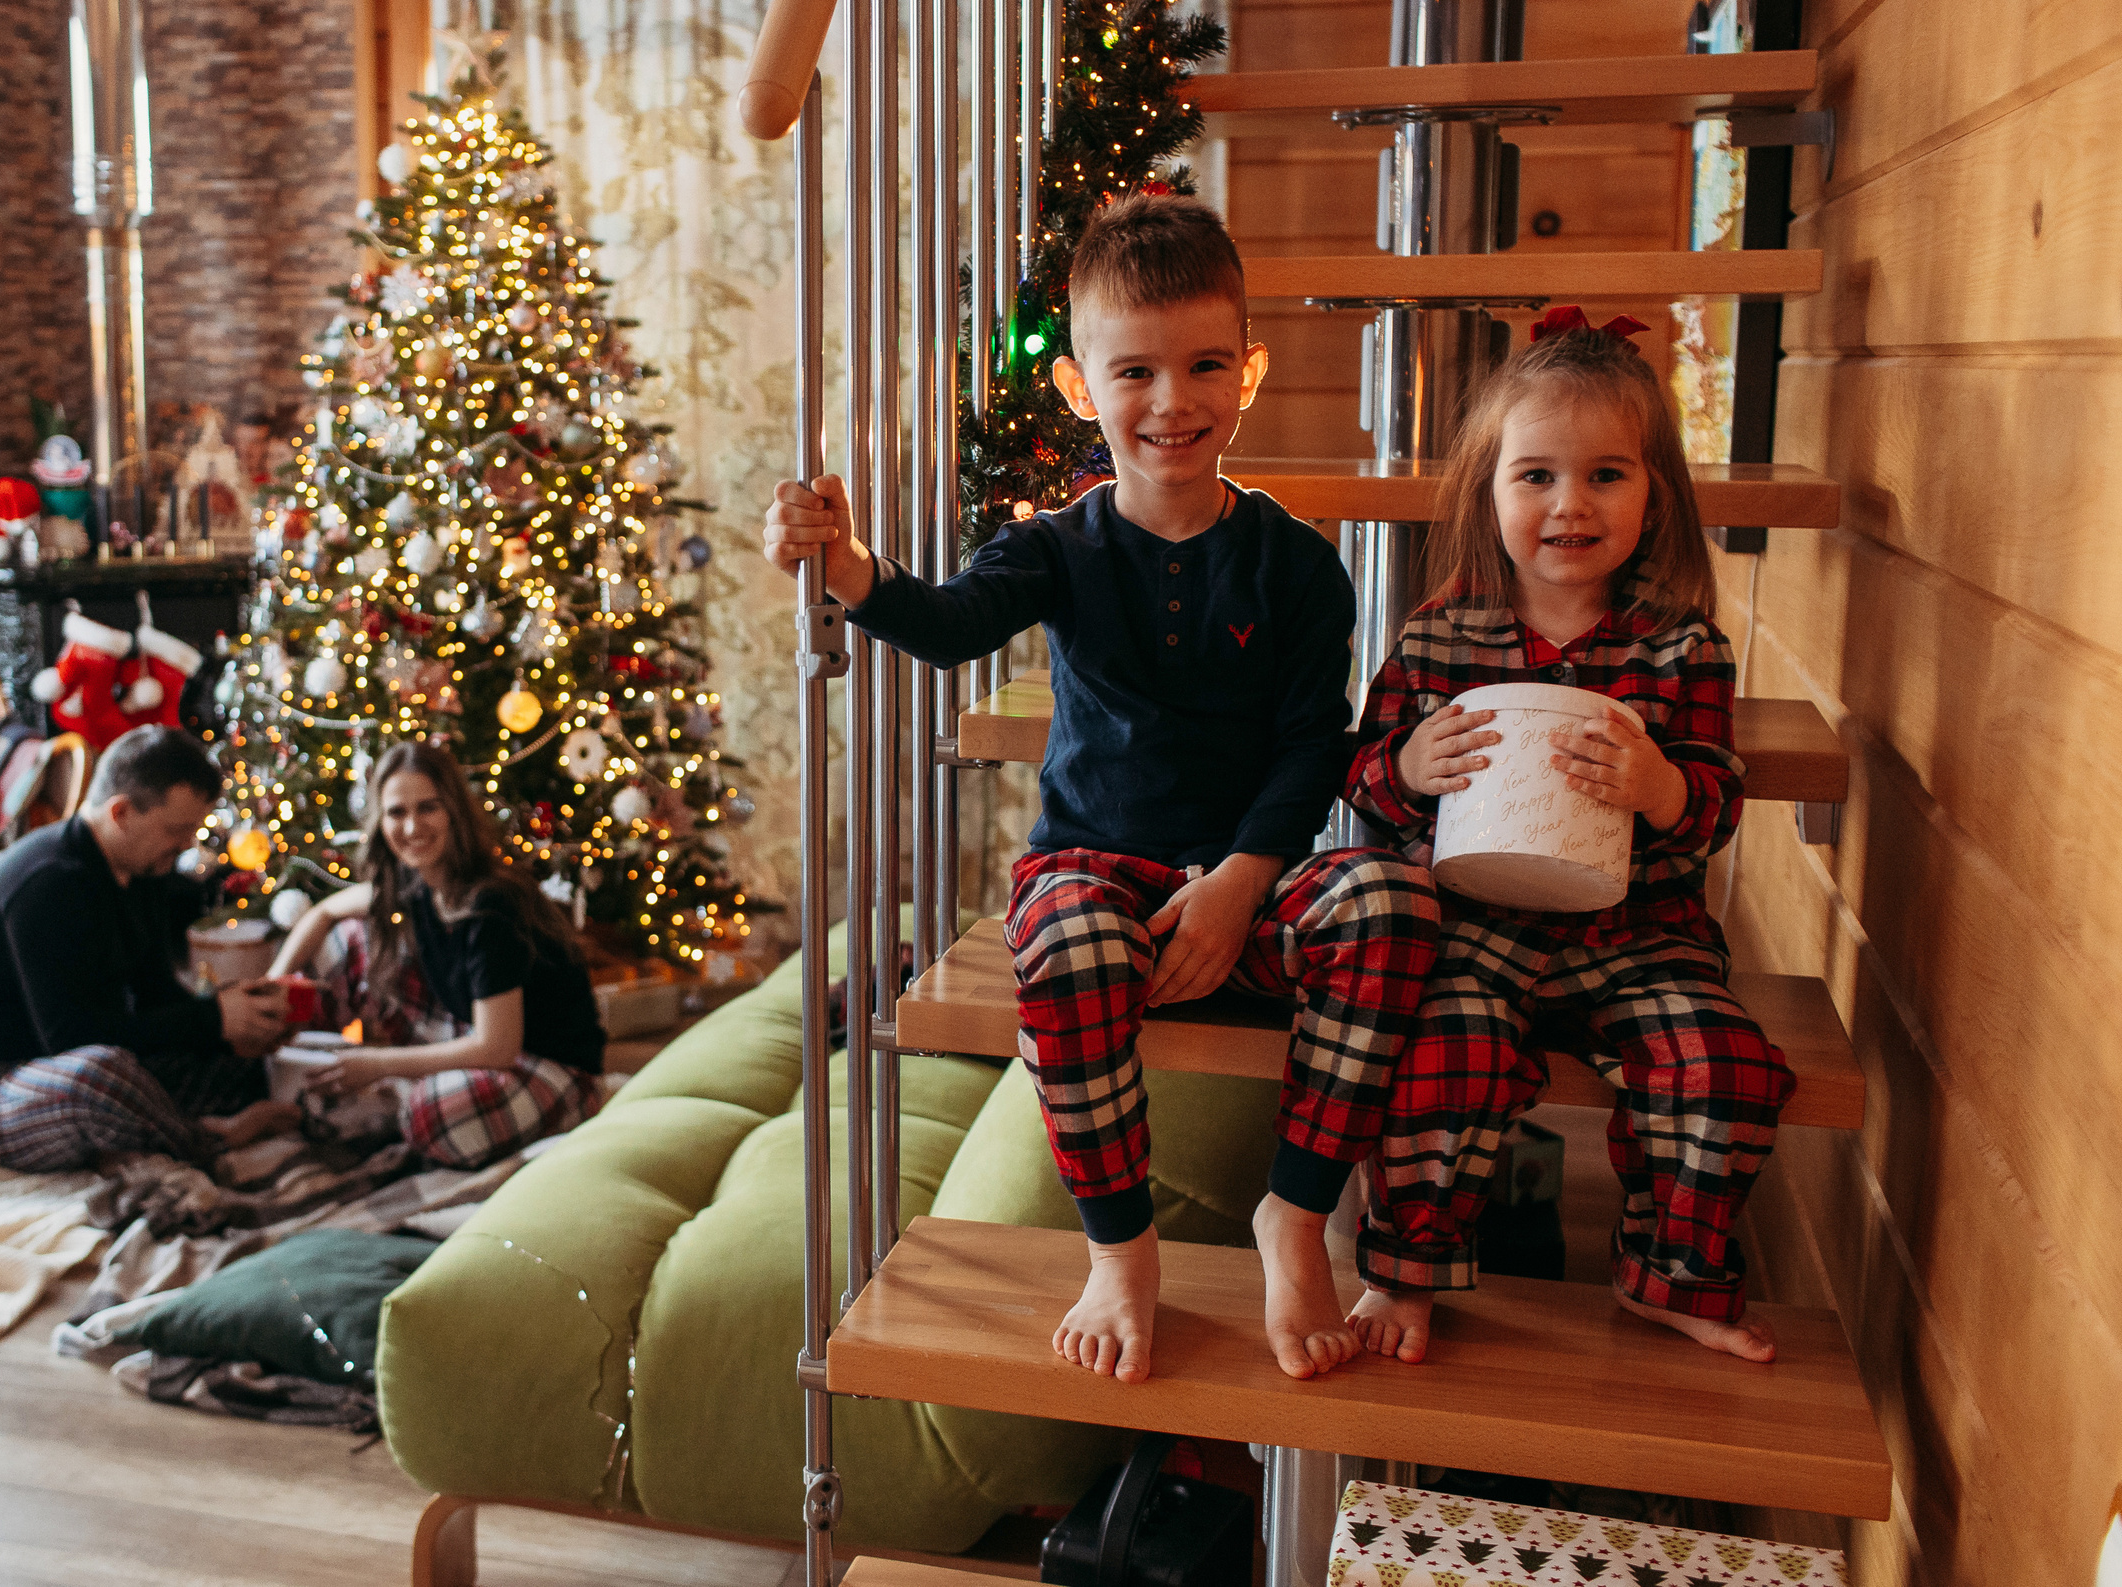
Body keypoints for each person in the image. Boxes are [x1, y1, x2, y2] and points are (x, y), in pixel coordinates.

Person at [761, 192, 1440, 1384]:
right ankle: (1121, 1250)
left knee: (1391, 904)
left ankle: (1293, 1213)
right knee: (1063, 943)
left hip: (1255, 881)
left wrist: (1240, 883)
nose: (1171, 401)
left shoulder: (1296, 565)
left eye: (1204, 365)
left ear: (1250, 372)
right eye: (1134, 372)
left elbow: (1308, 748)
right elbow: (946, 622)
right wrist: (847, 566)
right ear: (1081, 388)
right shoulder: (1055, 550)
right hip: (1096, 870)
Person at [1343, 308, 1797, 1365]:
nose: (1568, 505)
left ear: (1654, 495)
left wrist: (1661, 790)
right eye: (1535, 476)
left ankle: (1669, 1273)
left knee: (1721, 1062)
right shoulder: (1439, 634)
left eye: (1605, 476)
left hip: (1636, 928)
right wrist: (1407, 768)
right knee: (1441, 1055)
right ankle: (1406, 1270)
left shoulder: (1681, 646)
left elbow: (1717, 804)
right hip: (1474, 919)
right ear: (1489, 492)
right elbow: (1366, 772)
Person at [0, 724, 296, 1174]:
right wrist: (212, 1018)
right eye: (176, 829)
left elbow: (156, 997)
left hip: (88, 1062)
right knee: (98, 1072)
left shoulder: (141, 870)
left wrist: (231, 1022)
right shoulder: (50, 881)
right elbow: (73, 1038)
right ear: (121, 812)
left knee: (236, 1069)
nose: (186, 846)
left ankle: (166, 1135)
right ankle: (207, 1144)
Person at [266, 741, 607, 1169]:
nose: (412, 828)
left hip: (549, 1066)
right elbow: (324, 912)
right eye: (397, 812)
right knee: (348, 939)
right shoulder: (415, 885)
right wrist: (272, 987)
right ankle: (324, 1095)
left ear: (454, 812)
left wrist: (378, 1065)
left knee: (433, 1118)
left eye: (427, 808)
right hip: (473, 1042)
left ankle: (384, 1108)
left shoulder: (490, 903)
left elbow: (497, 1047)